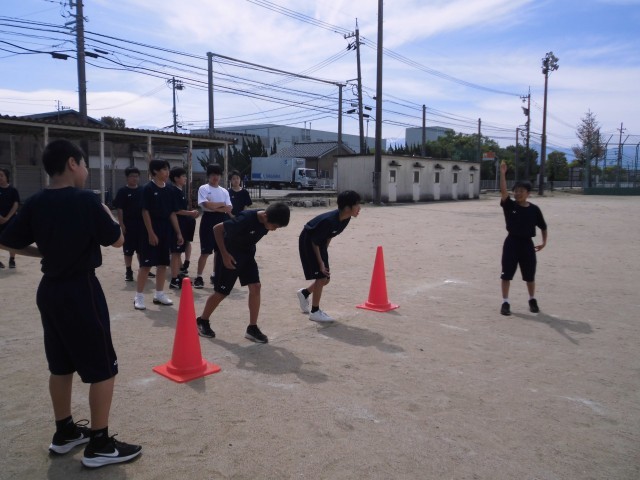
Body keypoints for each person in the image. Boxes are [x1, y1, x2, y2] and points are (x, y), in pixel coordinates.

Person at [0, 139, 142, 468]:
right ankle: (100, 444)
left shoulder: (36, 201)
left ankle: (64, 431)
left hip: (50, 289)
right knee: (103, 368)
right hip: (81, 290)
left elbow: (6, 240)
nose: (87, 170)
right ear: (72, 163)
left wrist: (44, 254)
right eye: (84, 164)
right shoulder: (86, 200)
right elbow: (117, 240)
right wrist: (104, 210)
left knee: (61, 365)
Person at [196, 202, 291, 343]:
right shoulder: (245, 218)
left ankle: (252, 328)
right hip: (230, 256)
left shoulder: (268, 219)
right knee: (221, 292)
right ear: (265, 216)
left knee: (256, 287)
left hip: (247, 255)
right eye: (274, 226)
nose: (274, 230)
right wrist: (224, 255)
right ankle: (202, 321)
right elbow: (217, 229)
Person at [296, 190, 361, 322]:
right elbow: (314, 242)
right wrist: (320, 262)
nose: (359, 208)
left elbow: (330, 235)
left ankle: (304, 293)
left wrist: (324, 254)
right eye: (357, 204)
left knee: (326, 279)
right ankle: (315, 312)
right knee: (321, 277)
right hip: (309, 241)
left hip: (319, 242)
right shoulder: (329, 221)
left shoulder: (345, 218)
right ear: (347, 208)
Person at [499, 160, 548, 316]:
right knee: (506, 274)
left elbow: (543, 226)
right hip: (511, 242)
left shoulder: (534, 209)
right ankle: (505, 302)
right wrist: (502, 174)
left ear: (528, 193)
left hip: (527, 244)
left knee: (529, 275)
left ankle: (532, 299)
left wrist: (544, 242)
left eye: (521, 191)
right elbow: (503, 192)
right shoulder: (510, 206)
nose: (518, 193)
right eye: (516, 191)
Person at [134, 159, 183, 310]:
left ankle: (159, 294)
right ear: (155, 171)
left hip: (165, 229)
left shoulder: (170, 190)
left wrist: (178, 233)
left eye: (168, 169)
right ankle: (139, 296)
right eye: (164, 169)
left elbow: (172, 213)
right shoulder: (147, 189)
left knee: (162, 264)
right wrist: (150, 233)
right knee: (146, 265)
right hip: (150, 229)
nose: (167, 172)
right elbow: (145, 211)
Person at [194, 164, 231, 289]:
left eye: (218, 174)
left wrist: (215, 206)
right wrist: (221, 205)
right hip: (208, 220)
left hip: (222, 220)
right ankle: (199, 277)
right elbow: (206, 205)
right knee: (205, 251)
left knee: (219, 251)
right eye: (213, 174)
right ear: (208, 176)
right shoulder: (204, 188)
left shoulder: (224, 191)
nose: (216, 177)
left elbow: (229, 208)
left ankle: (215, 275)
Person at [168, 167, 199, 290]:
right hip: (176, 226)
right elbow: (175, 211)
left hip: (183, 225)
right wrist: (191, 213)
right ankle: (174, 279)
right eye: (183, 176)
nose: (185, 178)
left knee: (178, 252)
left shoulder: (179, 190)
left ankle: (177, 276)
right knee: (175, 253)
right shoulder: (173, 191)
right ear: (176, 178)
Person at [113, 167, 144, 282]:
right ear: (127, 178)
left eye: (136, 176)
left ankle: (143, 268)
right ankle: (128, 271)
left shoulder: (142, 190)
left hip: (141, 225)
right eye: (132, 176)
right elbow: (119, 209)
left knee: (141, 250)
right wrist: (122, 224)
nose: (135, 178)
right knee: (128, 250)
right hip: (128, 224)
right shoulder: (122, 191)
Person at [0, 167, 19, 269]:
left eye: (1, 175)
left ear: (7, 177)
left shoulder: (13, 190)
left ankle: (12, 259)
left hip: (10, 219)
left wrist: (7, 217)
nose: (0, 177)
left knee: (12, 239)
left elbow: (15, 204)